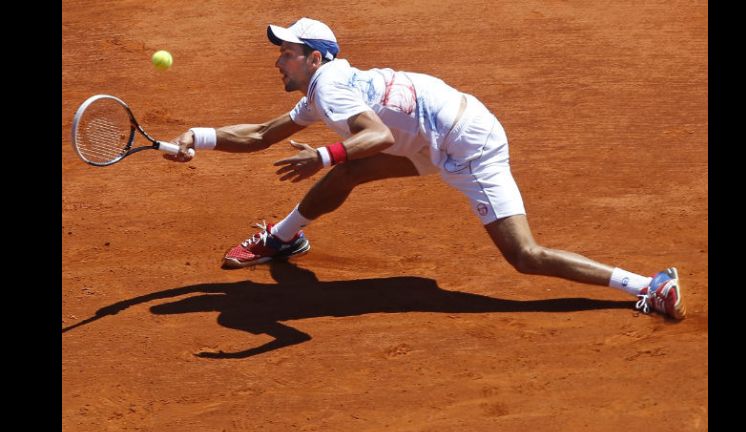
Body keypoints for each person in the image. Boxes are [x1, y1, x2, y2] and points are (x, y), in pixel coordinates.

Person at [167, 17, 685, 320]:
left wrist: (322, 154)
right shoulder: (321, 93)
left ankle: (647, 286)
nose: (278, 61)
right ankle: (283, 239)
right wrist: (196, 137)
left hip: (469, 143)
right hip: (431, 131)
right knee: (351, 173)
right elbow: (261, 135)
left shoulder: (331, 86)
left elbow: (379, 136)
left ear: (315, 59)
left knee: (524, 256)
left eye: (287, 53)